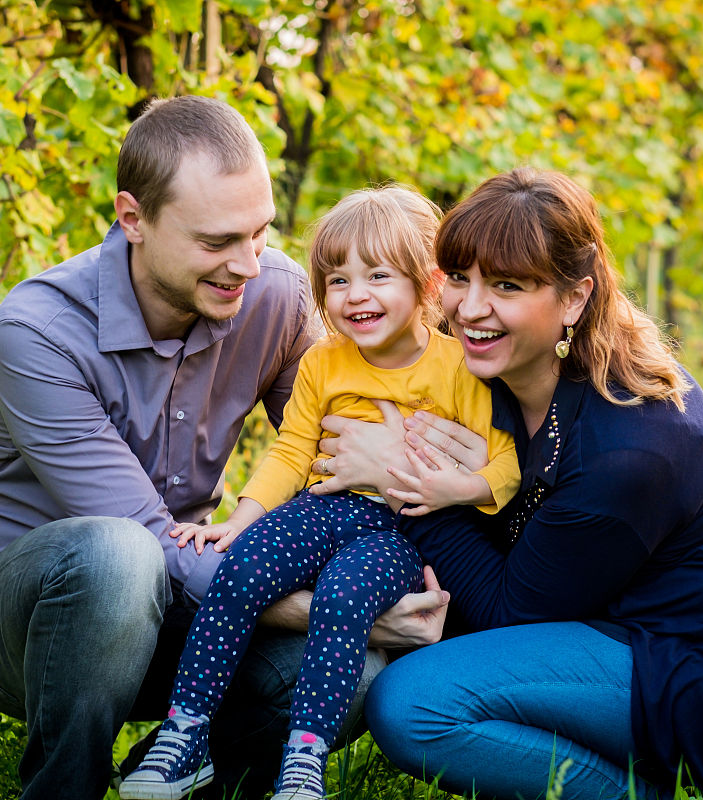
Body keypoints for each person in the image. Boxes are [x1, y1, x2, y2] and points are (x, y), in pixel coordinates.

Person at [0, 97, 447, 800]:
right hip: (19, 619)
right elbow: (147, 540)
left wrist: (400, 472)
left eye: (259, 234)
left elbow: (332, 463)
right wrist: (335, 608)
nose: (248, 266)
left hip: (187, 603)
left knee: (351, 674)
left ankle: (176, 778)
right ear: (132, 219)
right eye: (217, 243)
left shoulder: (278, 297)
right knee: (118, 558)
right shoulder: (37, 332)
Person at [310, 168, 703, 799]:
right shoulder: (490, 375)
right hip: (609, 629)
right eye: (459, 279)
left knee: (412, 706)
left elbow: (506, 615)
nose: (470, 309)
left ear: (575, 299)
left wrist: (406, 481)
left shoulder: (633, 446)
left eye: (506, 285)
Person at [118, 186, 520, 800]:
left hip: (398, 529)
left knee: (344, 594)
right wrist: (241, 521)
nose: (355, 294)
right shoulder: (323, 363)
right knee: (241, 569)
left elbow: (508, 464)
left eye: (378, 275)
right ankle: (187, 732)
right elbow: (291, 450)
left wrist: (451, 489)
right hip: (319, 507)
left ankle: (303, 761)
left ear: (427, 284)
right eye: (337, 280)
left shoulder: (456, 366)